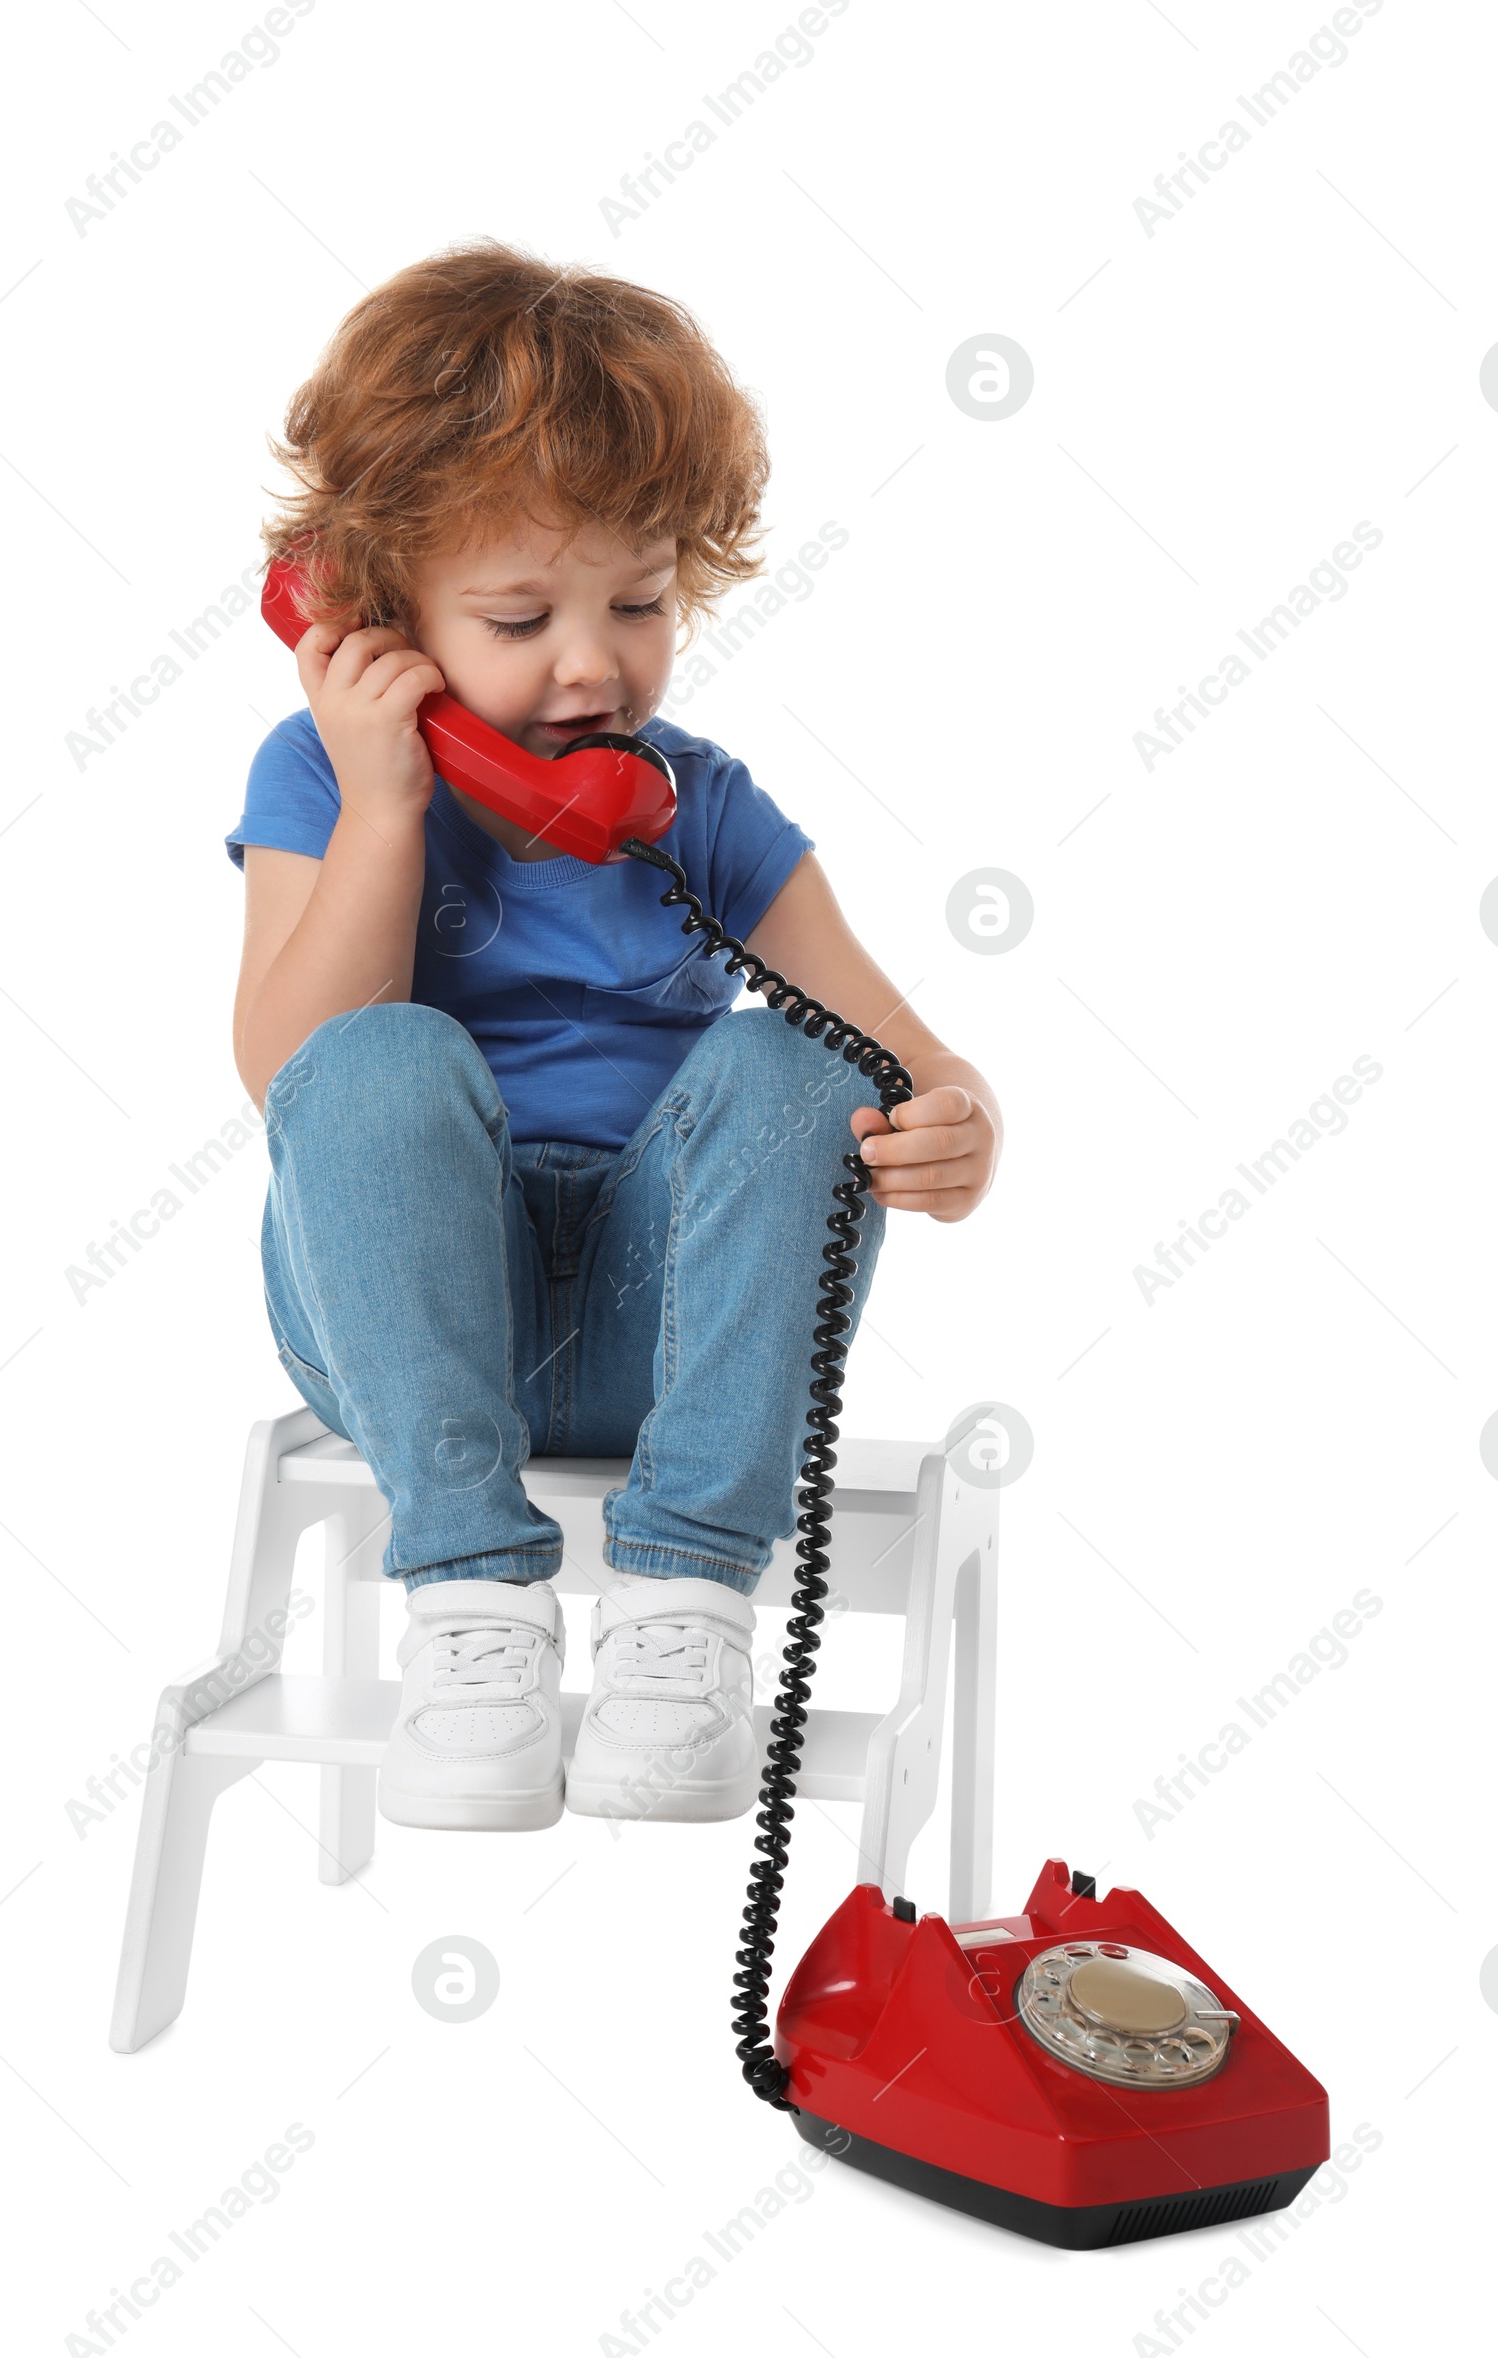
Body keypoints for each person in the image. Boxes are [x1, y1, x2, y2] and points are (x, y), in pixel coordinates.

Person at [225, 240, 1001, 1834]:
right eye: (521, 615)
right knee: (376, 1058)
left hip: (682, 1340)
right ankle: (470, 1599)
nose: (595, 662)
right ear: (375, 616)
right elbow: (286, 1075)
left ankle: (686, 1612)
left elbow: (898, 1049)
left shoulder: (696, 809)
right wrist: (391, 797)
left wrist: (956, 1116)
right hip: (416, 1320)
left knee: (801, 1062)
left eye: (639, 602)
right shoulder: (323, 778)